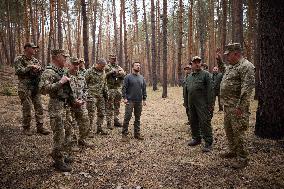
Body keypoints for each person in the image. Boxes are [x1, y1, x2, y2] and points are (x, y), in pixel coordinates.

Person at [217, 43, 255, 169]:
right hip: (228, 106)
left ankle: (243, 158)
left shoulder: (246, 66)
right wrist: (219, 59)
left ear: (236, 53)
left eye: (228, 55)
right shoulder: (232, 66)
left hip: (237, 107)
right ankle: (233, 150)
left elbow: (246, 89)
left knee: (239, 133)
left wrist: (241, 107)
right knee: (229, 130)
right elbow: (223, 69)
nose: (227, 57)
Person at [39, 49, 72, 172]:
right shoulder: (48, 72)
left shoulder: (61, 71)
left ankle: (61, 154)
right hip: (55, 105)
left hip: (64, 104)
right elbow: (43, 89)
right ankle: (58, 160)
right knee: (59, 133)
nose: (65, 59)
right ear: (57, 57)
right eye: (64, 57)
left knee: (67, 130)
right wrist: (60, 82)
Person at [14, 42, 50, 136]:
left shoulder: (35, 60)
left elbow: (41, 71)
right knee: (27, 107)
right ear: (27, 48)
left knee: (39, 107)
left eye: (35, 48)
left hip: (35, 86)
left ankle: (40, 127)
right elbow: (18, 71)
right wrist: (30, 67)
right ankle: (26, 128)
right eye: (33, 48)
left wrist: (37, 70)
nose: (35, 50)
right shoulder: (19, 59)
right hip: (24, 87)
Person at [185, 56, 214, 152]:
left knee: (204, 122)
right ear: (192, 64)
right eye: (195, 62)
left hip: (202, 104)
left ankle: (208, 142)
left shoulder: (206, 75)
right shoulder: (189, 77)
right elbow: (187, 91)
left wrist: (211, 104)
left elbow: (210, 90)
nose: (197, 64)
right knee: (193, 121)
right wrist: (186, 103)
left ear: (201, 63)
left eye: (199, 62)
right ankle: (196, 138)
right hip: (191, 104)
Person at [65, 57, 92, 149]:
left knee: (85, 121)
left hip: (81, 104)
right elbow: (63, 91)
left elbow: (85, 89)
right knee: (70, 124)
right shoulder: (65, 75)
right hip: (68, 105)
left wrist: (83, 100)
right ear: (69, 65)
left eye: (77, 64)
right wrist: (73, 101)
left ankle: (82, 139)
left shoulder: (81, 76)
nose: (76, 66)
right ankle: (72, 143)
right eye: (74, 64)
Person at [121, 61, 147, 142]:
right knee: (127, 117)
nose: (138, 67)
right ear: (133, 67)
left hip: (139, 101)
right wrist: (124, 98)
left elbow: (144, 89)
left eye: (139, 65)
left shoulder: (142, 77)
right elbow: (124, 88)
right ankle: (124, 135)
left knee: (138, 118)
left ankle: (137, 134)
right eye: (136, 65)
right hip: (130, 100)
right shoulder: (128, 77)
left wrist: (144, 99)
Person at [85, 58, 109, 135]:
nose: (103, 68)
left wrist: (106, 94)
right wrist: (86, 94)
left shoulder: (103, 72)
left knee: (102, 113)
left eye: (104, 66)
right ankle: (89, 131)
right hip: (91, 96)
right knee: (91, 114)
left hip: (101, 96)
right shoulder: (89, 71)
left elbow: (104, 83)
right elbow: (84, 83)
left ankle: (99, 128)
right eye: (102, 66)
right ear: (97, 64)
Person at [105, 54, 125, 129]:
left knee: (117, 105)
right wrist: (111, 72)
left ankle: (116, 120)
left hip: (117, 89)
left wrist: (119, 73)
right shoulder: (107, 67)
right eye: (112, 59)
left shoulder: (118, 67)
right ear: (109, 59)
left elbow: (123, 74)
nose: (114, 60)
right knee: (109, 106)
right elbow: (103, 76)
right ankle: (109, 122)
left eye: (115, 59)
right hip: (110, 88)